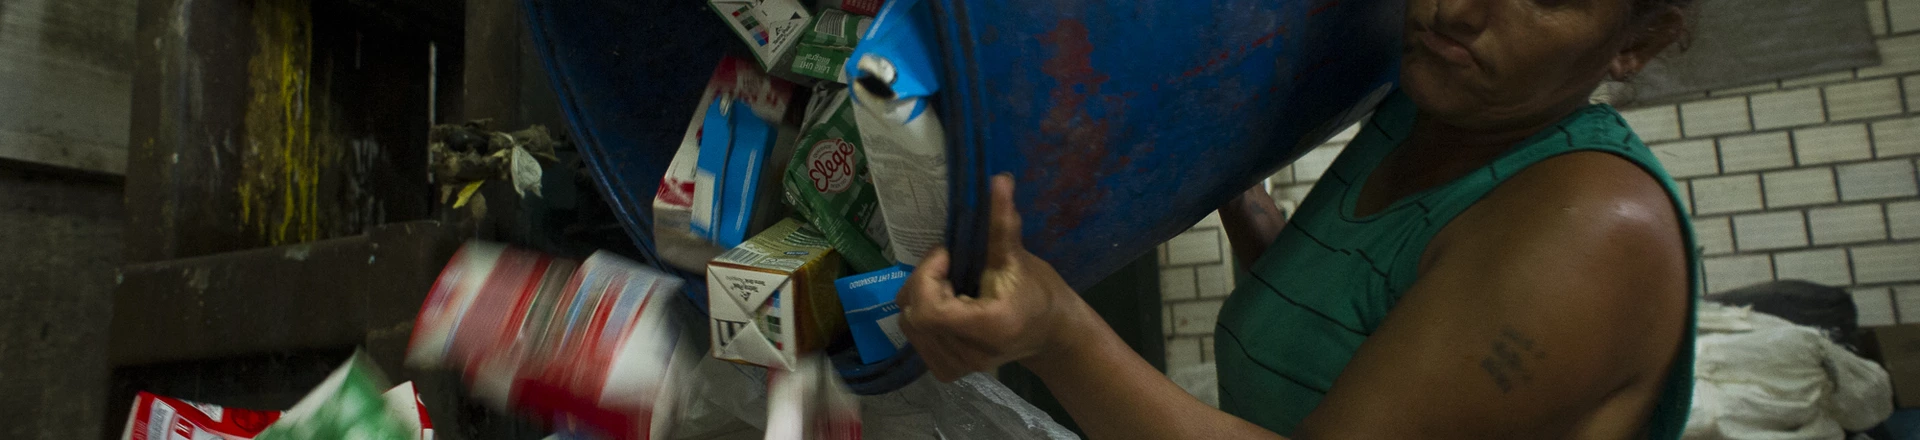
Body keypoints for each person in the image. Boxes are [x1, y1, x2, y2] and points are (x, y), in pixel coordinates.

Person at [893, 0, 1701, 438]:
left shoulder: (1591, 232)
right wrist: (1225, 185)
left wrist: (1061, 334)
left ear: (1638, 40)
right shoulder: (1440, 109)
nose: (1456, 8)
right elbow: (1362, 326)